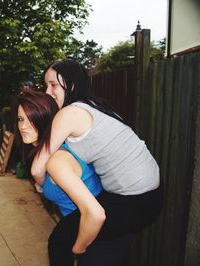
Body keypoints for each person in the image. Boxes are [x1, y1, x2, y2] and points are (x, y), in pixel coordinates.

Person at [31, 58, 163, 265]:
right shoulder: (96, 105)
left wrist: (41, 182)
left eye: (53, 85)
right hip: (151, 195)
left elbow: (38, 167)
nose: (47, 92)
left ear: (72, 84)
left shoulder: (69, 113)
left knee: (59, 240)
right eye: (46, 85)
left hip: (131, 201)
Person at [13, 89, 106, 258]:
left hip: (93, 237)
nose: (23, 126)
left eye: (31, 119)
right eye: (20, 119)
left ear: (45, 120)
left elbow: (95, 214)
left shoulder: (57, 161)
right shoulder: (47, 155)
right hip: (77, 228)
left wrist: (77, 249)